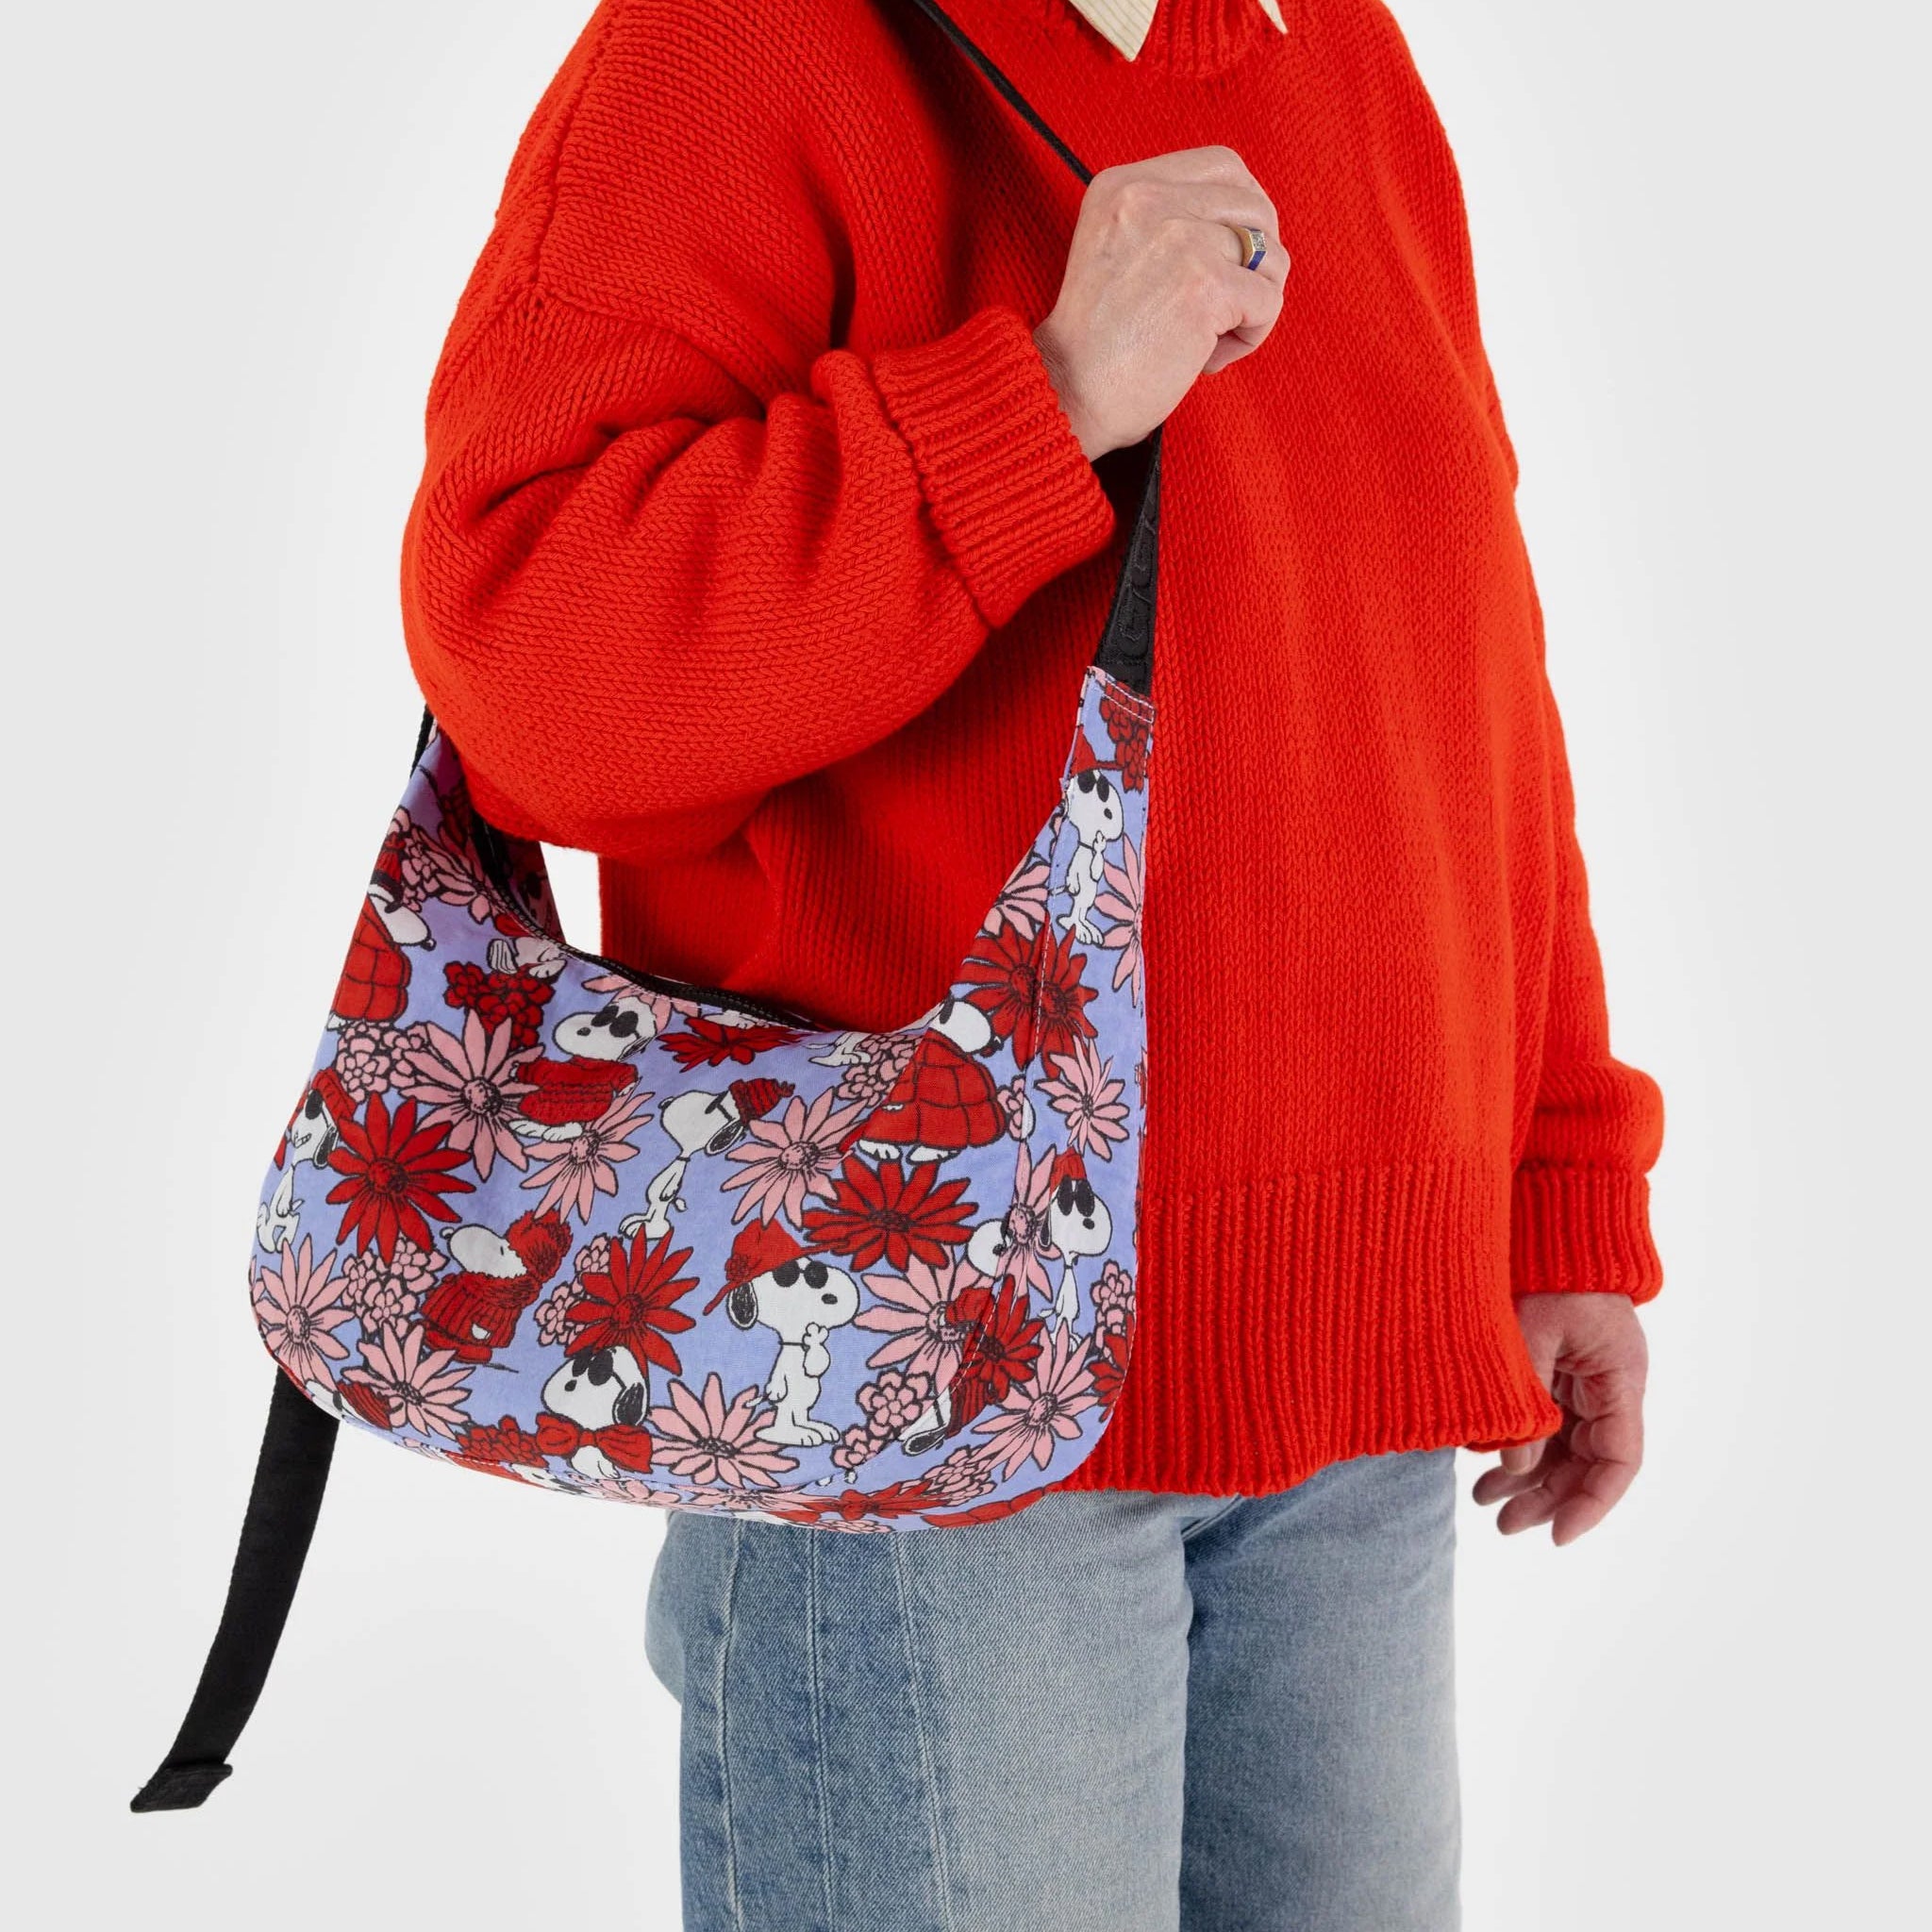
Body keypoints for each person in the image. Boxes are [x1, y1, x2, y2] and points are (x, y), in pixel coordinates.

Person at [399, 1, 1664, 1924]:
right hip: (933, 1403)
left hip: (1367, 1390)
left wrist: (1553, 1182)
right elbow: (529, 674)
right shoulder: (737, 48)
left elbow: (1458, 653)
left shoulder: (1330, 46)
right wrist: (1044, 397)